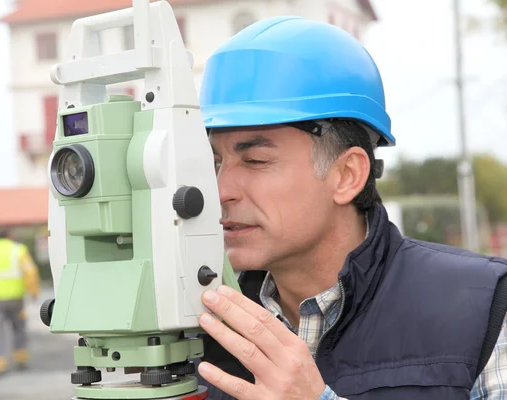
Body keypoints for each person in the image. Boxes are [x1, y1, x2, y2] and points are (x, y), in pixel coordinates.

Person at [192, 16, 507, 399]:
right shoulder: (194, 329)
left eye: (255, 160)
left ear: (346, 174)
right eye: (215, 162)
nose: (222, 190)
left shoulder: (483, 310)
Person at [0, 229, 41, 375]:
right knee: (19, 329)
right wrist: (34, 292)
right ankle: (21, 359)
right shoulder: (18, 250)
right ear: (9, 236)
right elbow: (30, 272)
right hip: (16, 298)